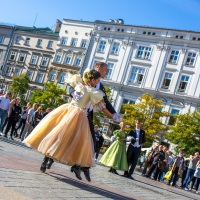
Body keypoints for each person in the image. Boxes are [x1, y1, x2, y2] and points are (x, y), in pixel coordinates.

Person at [23, 69, 114, 182]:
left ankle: (76, 165)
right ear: (91, 79)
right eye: (97, 80)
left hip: (81, 116)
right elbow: (70, 87)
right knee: (56, 136)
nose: (98, 82)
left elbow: (103, 104)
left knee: (77, 141)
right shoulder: (79, 83)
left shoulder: (93, 91)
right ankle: (46, 160)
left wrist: (113, 115)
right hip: (68, 112)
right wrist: (73, 92)